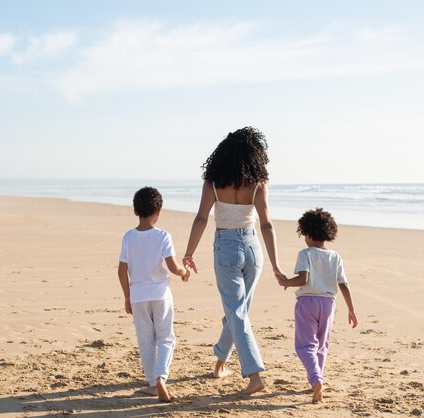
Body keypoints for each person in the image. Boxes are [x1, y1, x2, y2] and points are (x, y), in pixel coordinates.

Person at [182, 127, 286, 395]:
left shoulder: (214, 183)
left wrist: (189, 253)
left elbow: (201, 218)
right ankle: (220, 362)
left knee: (236, 310)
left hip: (226, 248)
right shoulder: (258, 184)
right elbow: (267, 225)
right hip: (253, 249)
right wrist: (275, 264)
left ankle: (254, 375)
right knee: (237, 310)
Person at [277, 208, 358, 403]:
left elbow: (303, 279)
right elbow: (344, 285)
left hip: (307, 303)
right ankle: (317, 379)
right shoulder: (335, 256)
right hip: (329, 303)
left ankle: (316, 379)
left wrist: (286, 282)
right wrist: (351, 309)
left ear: (308, 233)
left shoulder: (305, 254)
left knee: (305, 346)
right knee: (322, 345)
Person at [117, 186, 190, 402]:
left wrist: (127, 296)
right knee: (166, 338)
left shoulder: (128, 237)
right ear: (158, 211)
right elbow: (173, 266)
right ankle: (161, 377)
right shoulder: (162, 236)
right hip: (160, 294)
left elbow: (122, 270)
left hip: (138, 296)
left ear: (135, 211)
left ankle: (152, 384)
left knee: (146, 340)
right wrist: (184, 272)